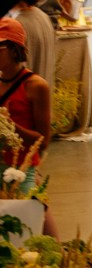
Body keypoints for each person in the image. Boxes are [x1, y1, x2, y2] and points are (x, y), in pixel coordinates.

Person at [0, 17, 58, 236]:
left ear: (14, 49)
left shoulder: (35, 86)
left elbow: (43, 141)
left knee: (26, 234)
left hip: (22, 171)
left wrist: (8, 125)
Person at [5, 0, 56, 91]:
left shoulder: (15, 25)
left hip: (24, 95)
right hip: (42, 93)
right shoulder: (43, 17)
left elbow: (10, 71)